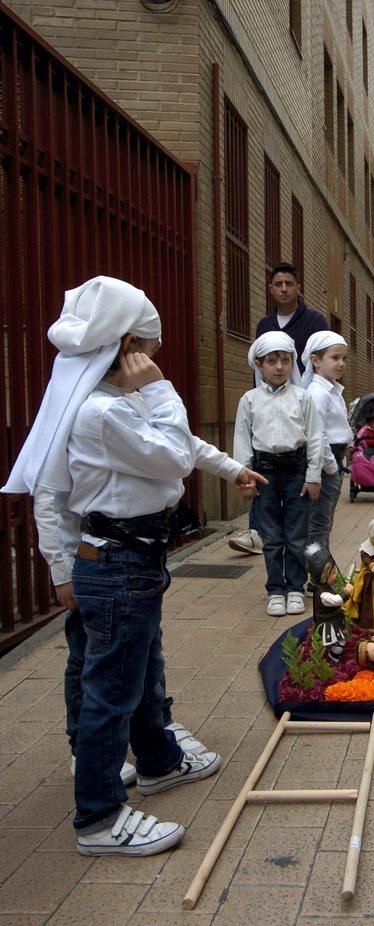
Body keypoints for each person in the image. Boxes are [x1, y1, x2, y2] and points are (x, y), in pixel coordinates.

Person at [3, 276, 224, 856]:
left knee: (137, 666)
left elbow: (180, 449)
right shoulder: (106, 412)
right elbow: (175, 456)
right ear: (127, 346)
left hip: (124, 559)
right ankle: (99, 816)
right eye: (148, 350)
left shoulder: (101, 404)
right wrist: (161, 390)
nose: (153, 361)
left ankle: (155, 760)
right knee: (113, 687)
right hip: (119, 561)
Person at [33, 442, 264, 784]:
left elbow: (178, 441)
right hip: (92, 558)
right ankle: (86, 748)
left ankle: (157, 728)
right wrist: (61, 568)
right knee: (89, 656)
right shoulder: (89, 411)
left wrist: (233, 469)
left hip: (135, 556)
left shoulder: (126, 403)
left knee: (144, 647)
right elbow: (47, 495)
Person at [228, 262, 328, 555]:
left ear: (298, 287)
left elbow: (317, 363)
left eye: (289, 283)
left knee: (303, 494)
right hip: (269, 404)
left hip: (301, 403)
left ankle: (310, 558)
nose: (284, 288)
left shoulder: (314, 320)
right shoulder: (265, 325)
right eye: (278, 284)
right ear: (271, 289)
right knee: (265, 479)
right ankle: (258, 534)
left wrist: (306, 398)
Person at [233, 330, 323, 617]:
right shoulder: (249, 400)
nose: (279, 367)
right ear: (259, 365)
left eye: (285, 360)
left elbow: (315, 438)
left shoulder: (303, 397)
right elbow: (242, 439)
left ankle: (296, 586)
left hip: (296, 470)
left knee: (296, 533)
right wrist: (244, 477)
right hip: (264, 472)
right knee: (270, 535)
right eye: (272, 361)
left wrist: (313, 476)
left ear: (292, 363)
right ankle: (275, 589)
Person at [301, 331, 353, 552]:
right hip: (325, 463)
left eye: (344, 358)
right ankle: (318, 573)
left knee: (324, 522)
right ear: (315, 360)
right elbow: (317, 434)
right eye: (334, 358)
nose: (341, 364)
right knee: (319, 523)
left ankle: (321, 570)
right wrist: (331, 468)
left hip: (335, 460)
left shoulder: (333, 390)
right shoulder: (317, 394)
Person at [305, 542, 347, 663]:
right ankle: (332, 657)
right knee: (338, 640)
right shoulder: (323, 593)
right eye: (333, 573)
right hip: (328, 623)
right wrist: (346, 593)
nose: (336, 575)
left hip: (332, 620)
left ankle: (330, 655)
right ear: (323, 577)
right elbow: (337, 600)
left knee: (337, 640)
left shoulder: (325, 588)